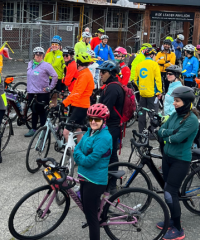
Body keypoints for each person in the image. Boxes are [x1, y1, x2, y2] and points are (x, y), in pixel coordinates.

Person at [157, 86, 199, 240]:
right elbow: (161, 131)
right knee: (167, 191)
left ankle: (178, 229)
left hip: (180, 160)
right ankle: (173, 220)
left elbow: (176, 139)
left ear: (187, 102)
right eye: (174, 100)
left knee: (169, 193)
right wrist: (170, 133)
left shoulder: (192, 120)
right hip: (167, 157)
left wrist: (168, 135)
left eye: (178, 101)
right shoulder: (175, 115)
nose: (174, 103)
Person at [73, 103, 112, 240]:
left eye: (97, 119)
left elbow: (88, 161)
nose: (93, 122)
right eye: (91, 119)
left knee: (91, 219)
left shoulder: (104, 137)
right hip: (85, 176)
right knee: (89, 211)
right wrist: (80, 155)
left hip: (94, 180)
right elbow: (77, 148)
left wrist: (79, 156)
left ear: (104, 121)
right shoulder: (90, 131)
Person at [98, 60, 125, 194]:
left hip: (112, 126)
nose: (100, 75)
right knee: (109, 154)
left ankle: (112, 185)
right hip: (112, 125)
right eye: (100, 72)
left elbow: (105, 109)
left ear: (111, 73)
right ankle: (109, 182)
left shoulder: (113, 88)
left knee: (111, 154)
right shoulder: (110, 85)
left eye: (103, 72)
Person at [24, 47, 58, 137]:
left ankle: (43, 131)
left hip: (42, 93)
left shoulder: (46, 65)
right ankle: (33, 129)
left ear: (43, 56)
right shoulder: (30, 64)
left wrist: (49, 88)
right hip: (31, 92)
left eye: (40, 55)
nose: (38, 57)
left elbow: (55, 76)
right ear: (34, 55)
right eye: (37, 55)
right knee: (34, 111)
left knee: (42, 112)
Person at [62, 52, 95, 142]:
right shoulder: (83, 73)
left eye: (76, 62)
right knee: (78, 129)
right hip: (79, 105)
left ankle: (74, 153)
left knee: (66, 132)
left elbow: (77, 93)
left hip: (80, 106)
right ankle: (80, 149)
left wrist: (64, 103)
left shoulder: (84, 75)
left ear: (79, 63)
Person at [134, 48, 163, 134]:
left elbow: (136, 80)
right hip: (152, 94)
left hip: (142, 93)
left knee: (142, 113)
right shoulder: (154, 64)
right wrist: (159, 92)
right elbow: (158, 80)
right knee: (153, 114)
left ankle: (141, 131)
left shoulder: (139, 64)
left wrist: (141, 88)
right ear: (151, 55)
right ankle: (152, 132)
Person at [45, 36, 65, 106]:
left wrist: (64, 76)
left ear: (59, 46)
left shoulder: (62, 54)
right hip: (49, 78)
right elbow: (44, 66)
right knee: (49, 95)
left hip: (59, 78)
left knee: (58, 96)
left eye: (56, 44)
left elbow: (64, 67)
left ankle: (58, 109)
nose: (54, 46)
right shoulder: (48, 55)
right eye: (53, 44)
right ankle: (50, 109)